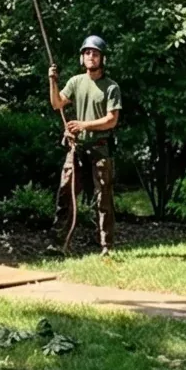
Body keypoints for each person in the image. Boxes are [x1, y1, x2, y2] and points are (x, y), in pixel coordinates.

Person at [49, 34, 121, 253]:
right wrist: (52, 81)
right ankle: (58, 243)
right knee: (65, 192)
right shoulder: (75, 82)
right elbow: (57, 103)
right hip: (77, 148)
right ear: (82, 58)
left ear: (102, 59)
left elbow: (112, 120)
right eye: (87, 53)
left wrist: (84, 125)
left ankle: (106, 246)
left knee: (103, 197)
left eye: (96, 53)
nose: (91, 57)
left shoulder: (111, 87)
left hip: (100, 147)